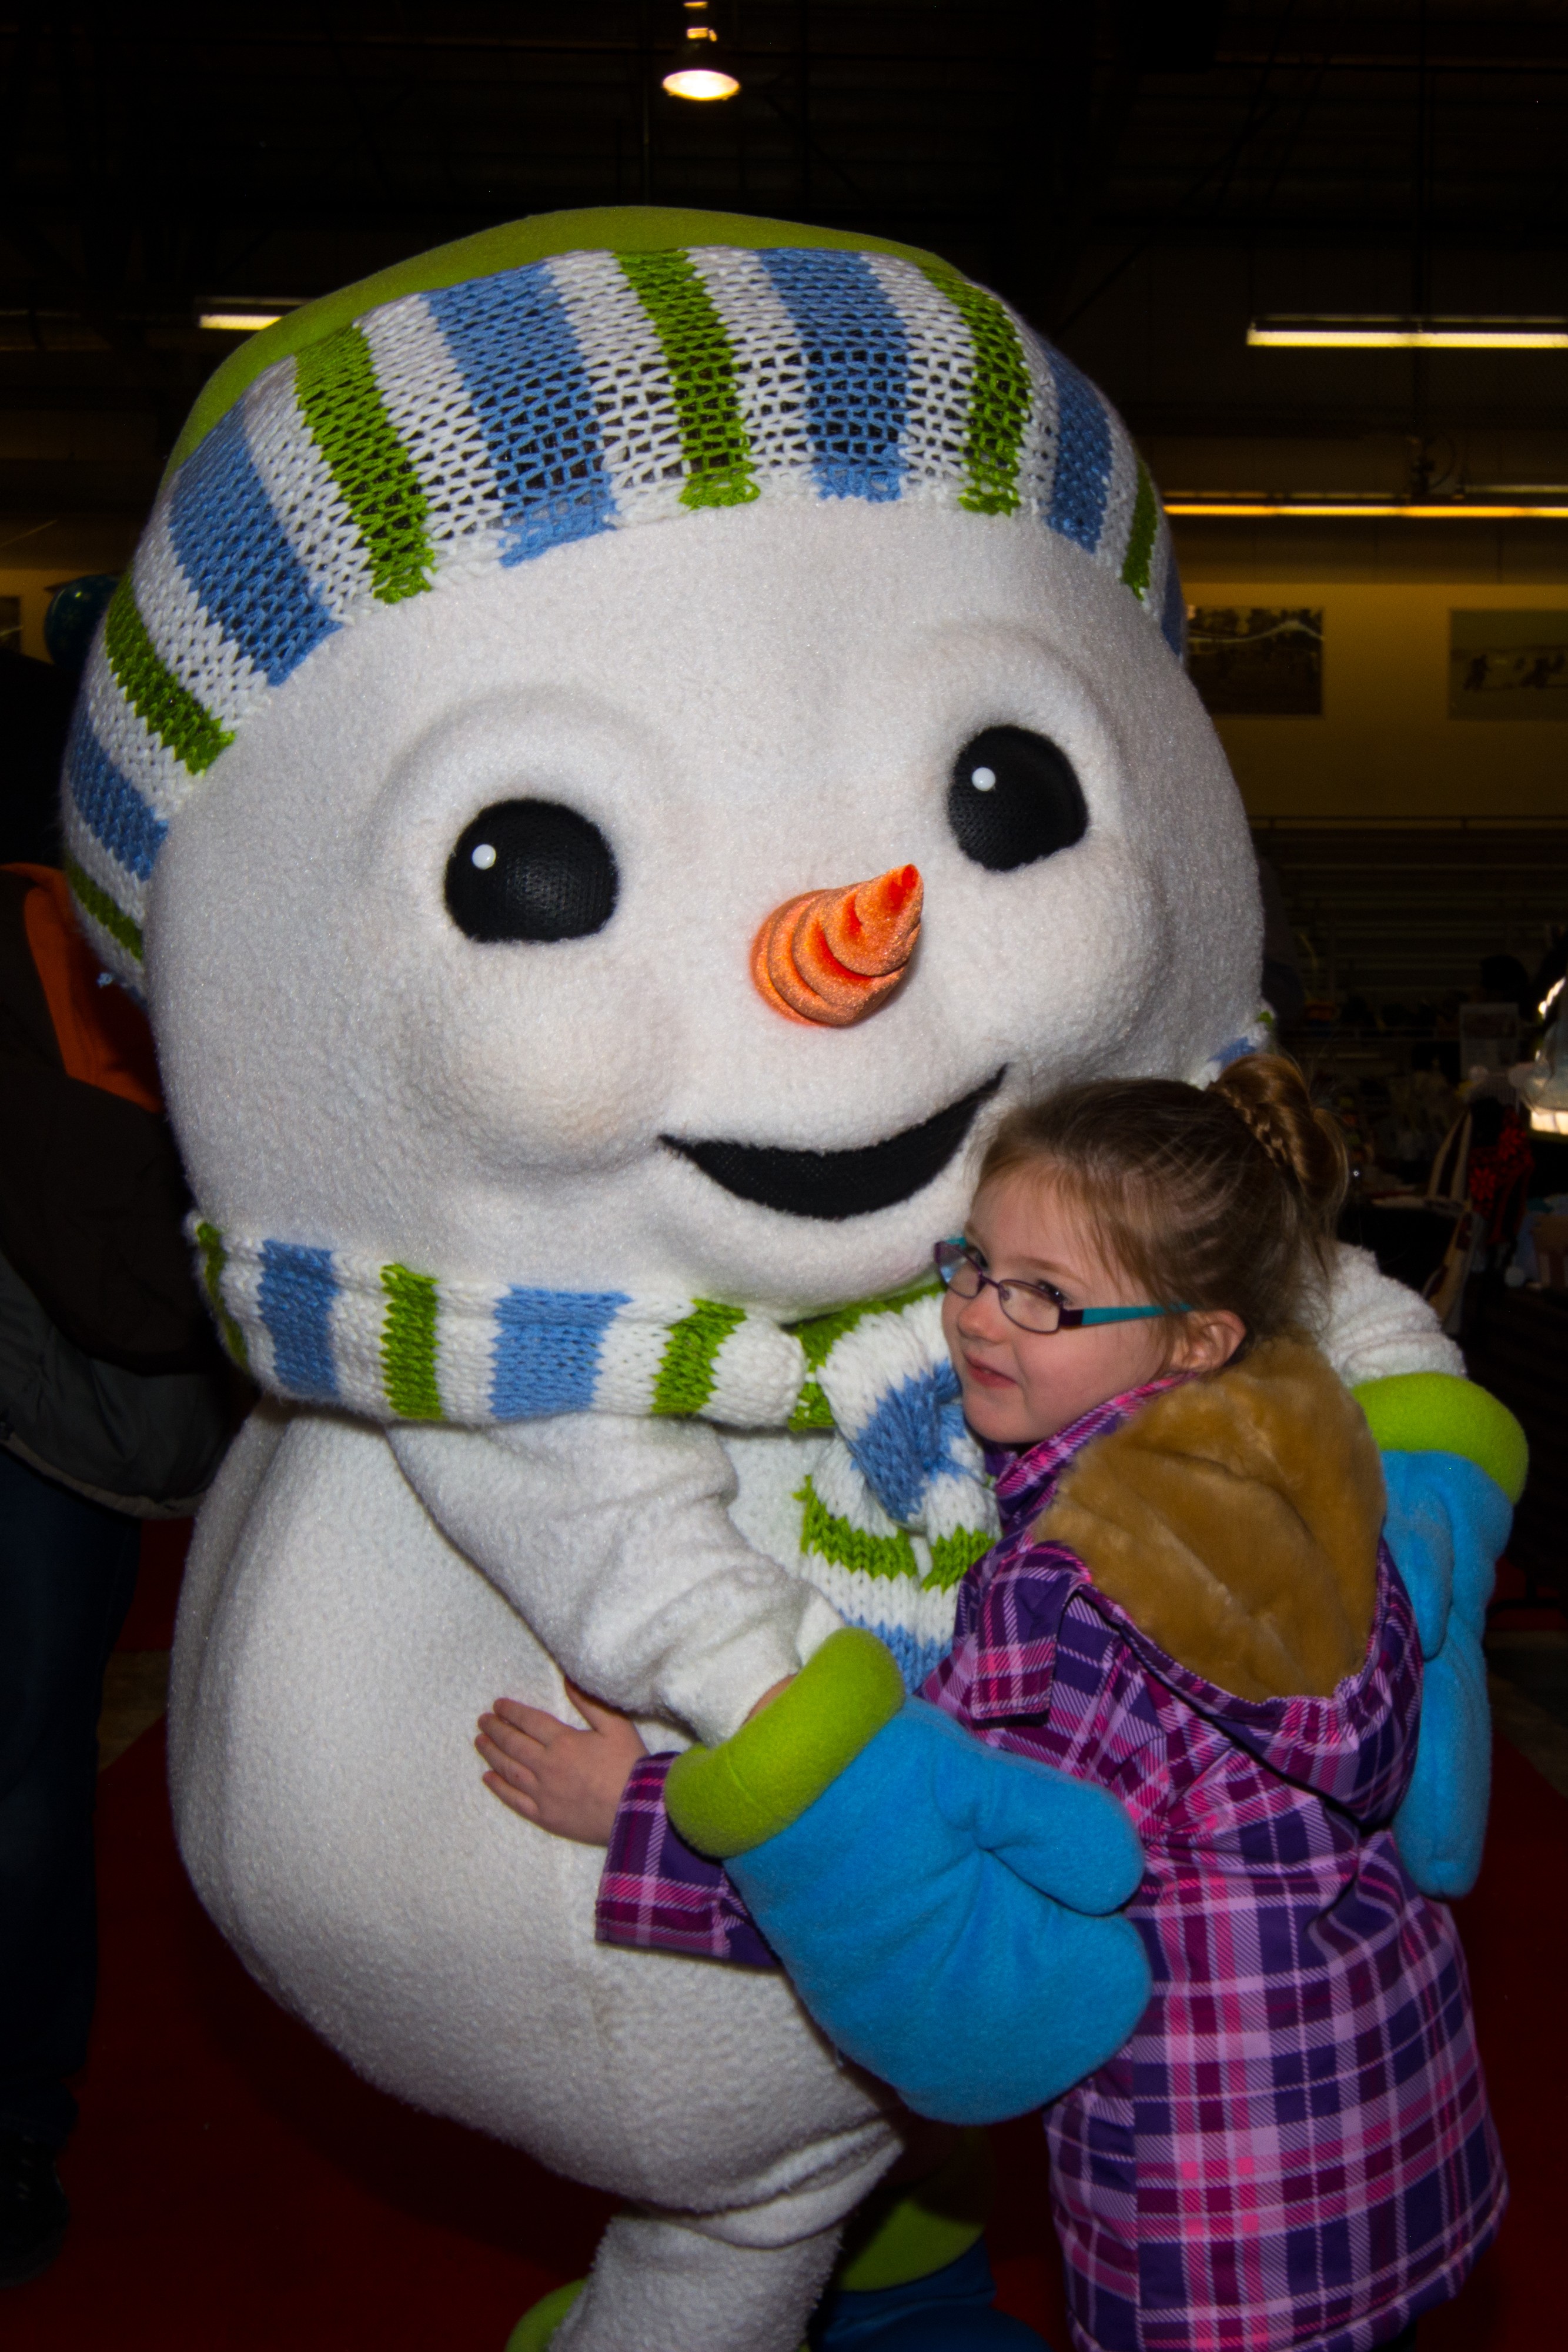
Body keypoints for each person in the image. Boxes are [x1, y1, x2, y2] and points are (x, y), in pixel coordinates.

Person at [477, 1055, 1505, 2352]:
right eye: (971, 1264)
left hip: (1211, 2196)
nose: (975, 1317)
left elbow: (927, 1882)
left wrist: (634, 1814)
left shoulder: (1074, 1590)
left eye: (1045, 1297)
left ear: (1197, 1337)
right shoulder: (1315, 1456)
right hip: (1384, 2111)